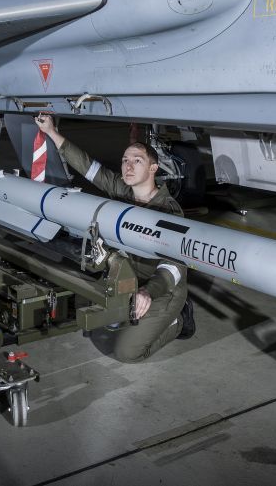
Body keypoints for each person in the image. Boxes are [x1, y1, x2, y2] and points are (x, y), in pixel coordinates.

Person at [34, 113, 195, 362]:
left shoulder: (169, 212)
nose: (128, 166)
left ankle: (178, 320)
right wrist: (52, 132)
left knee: (126, 353)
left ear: (153, 168)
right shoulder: (122, 188)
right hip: (126, 277)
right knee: (78, 308)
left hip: (160, 289)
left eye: (137, 161)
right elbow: (89, 167)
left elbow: (174, 267)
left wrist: (149, 292)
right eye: (125, 160)